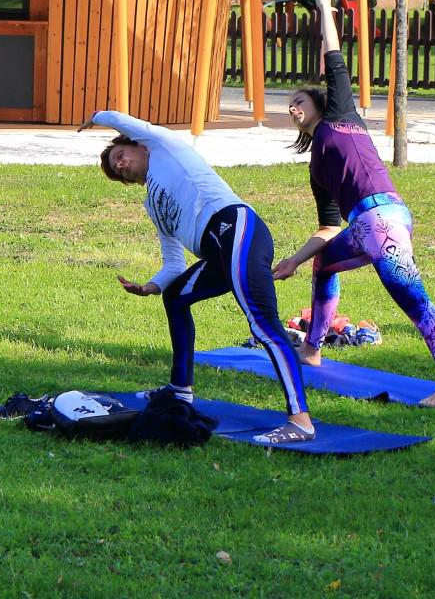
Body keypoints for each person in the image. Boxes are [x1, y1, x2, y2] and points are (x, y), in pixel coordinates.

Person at [274, 0, 435, 406]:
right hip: (364, 227)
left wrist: (324, 8)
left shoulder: (341, 116)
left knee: (413, 299)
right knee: (325, 263)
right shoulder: (317, 167)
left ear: (319, 103)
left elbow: (333, 55)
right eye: (289, 104)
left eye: (299, 100)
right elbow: (328, 229)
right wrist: (294, 260)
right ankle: (311, 349)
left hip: (383, 221)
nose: (292, 108)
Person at [85, 110, 315, 445]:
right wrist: (150, 286)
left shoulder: (164, 147)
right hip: (217, 253)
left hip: (237, 229)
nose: (119, 165)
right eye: (117, 171)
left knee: (263, 324)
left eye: (119, 155)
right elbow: (173, 263)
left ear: (137, 145)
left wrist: (96, 117)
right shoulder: (152, 204)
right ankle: (180, 390)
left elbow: (127, 122)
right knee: (175, 296)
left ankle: (301, 422)